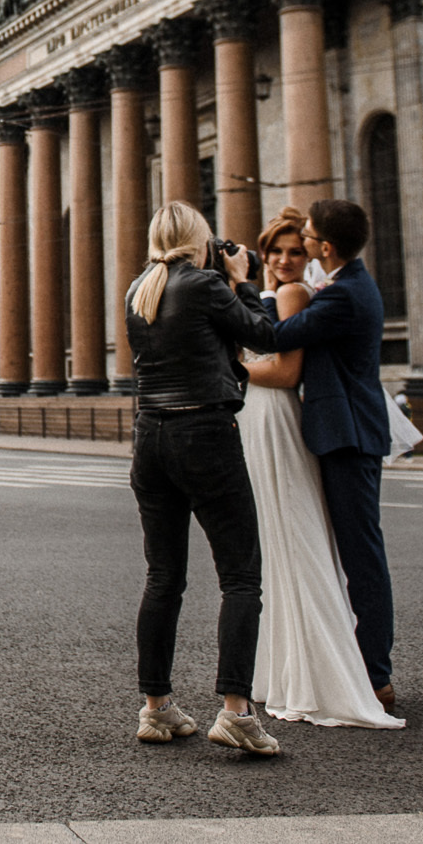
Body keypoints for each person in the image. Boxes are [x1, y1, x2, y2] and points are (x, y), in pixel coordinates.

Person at [125, 200, 283, 757]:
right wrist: (242, 282)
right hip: (205, 435)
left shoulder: (139, 289)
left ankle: (156, 707)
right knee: (241, 577)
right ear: (201, 240)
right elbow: (265, 336)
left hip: (150, 438)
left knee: (164, 577)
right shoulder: (203, 285)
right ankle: (237, 712)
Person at [238, 208, 403, 731]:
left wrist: (244, 291)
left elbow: (277, 340)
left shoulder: (340, 296)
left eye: (305, 241)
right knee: (349, 551)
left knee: (362, 557)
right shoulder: (345, 283)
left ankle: (375, 675)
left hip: (347, 436)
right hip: (339, 432)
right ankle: (361, 667)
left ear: (325, 248)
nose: (299, 252)